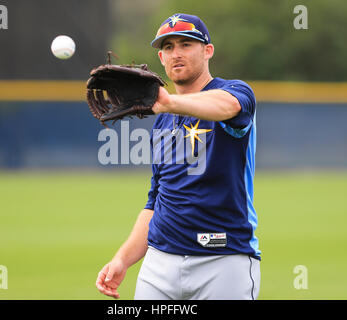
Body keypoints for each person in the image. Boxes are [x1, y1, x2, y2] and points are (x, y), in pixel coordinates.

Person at [96, 13, 260, 300]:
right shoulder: (162, 119)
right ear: (160, 57)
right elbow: (156, 199)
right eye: (168, 47)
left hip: (223, 259)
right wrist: (122, 259)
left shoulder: (234, 92)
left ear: (207, 51)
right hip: (159, 264)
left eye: (186, 44)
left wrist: (170, 102)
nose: (176, 53)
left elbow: (228, 107)